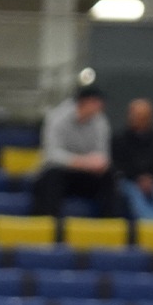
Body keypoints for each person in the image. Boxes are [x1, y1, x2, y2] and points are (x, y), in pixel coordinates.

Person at [30, 86, 115, 218]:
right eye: (96, 102)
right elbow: (52, 154)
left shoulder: (101, 122)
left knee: (109, 179)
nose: (100, 106)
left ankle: (110, 226)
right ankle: (49, 226)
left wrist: (96, 163)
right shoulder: (57, 118)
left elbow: (103, 155)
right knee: (51, 179)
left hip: (87, 175)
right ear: (85, 102)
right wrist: (81, 161)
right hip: (60, 172)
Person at [112, 98, 153, 221]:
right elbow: (117, 165)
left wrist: (151, 179)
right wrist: (137, 179)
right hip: (128, 181)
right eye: (136, 115)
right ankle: (151, 224)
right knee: (133, 192)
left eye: (143, 116)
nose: (139, 119)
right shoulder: (118, 139)